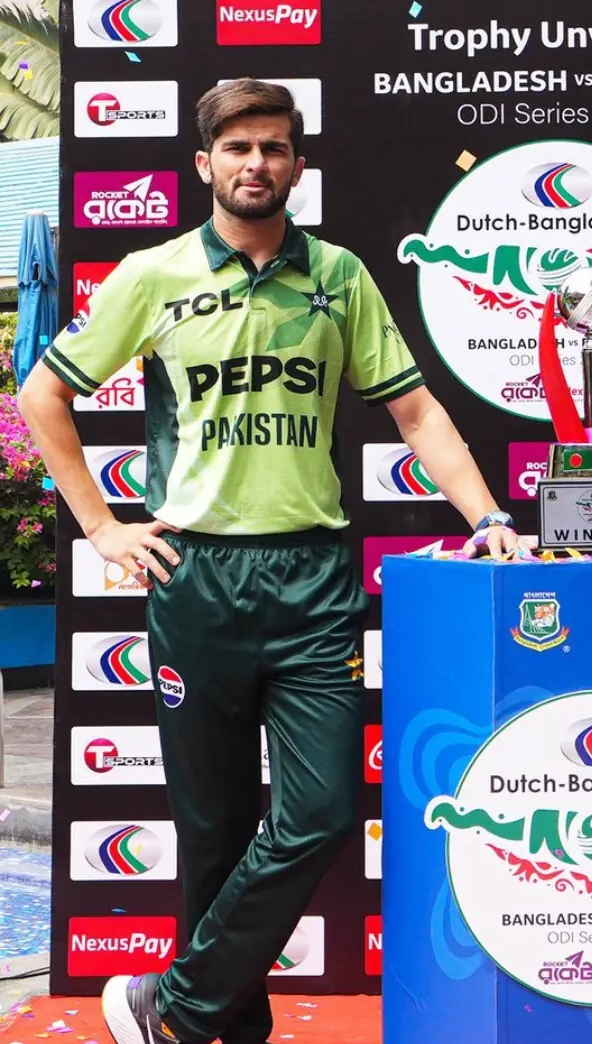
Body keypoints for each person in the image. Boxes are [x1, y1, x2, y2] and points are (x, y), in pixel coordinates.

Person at [18, 78, 521, 1044]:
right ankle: (216, 1026)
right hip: (194, 578)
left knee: (324, 811)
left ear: (298, 163)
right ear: (204, 164)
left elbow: (414, 412)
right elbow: (44, 394)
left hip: (312, 583)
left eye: (276, 147)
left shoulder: (338, 275)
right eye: (239, 148)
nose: (258, 163)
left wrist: (489, 512)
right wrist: (101, 527)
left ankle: (170, 1002)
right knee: (211, 835)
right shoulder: (152, 274)